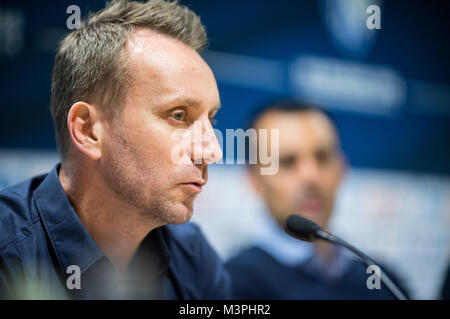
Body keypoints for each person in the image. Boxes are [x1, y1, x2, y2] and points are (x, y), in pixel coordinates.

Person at [0, 0, 230, 299]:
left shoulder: (193, 256)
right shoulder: (7, 252)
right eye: (179, 115)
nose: (212, 151)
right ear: (88, 130)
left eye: (210, 120)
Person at [226, 100, 408, 299]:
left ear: (342, 167)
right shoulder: (229, 285)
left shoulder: (381, 279)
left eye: (322, 157)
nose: (311, 176)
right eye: (287, 161)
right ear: (253, 178)